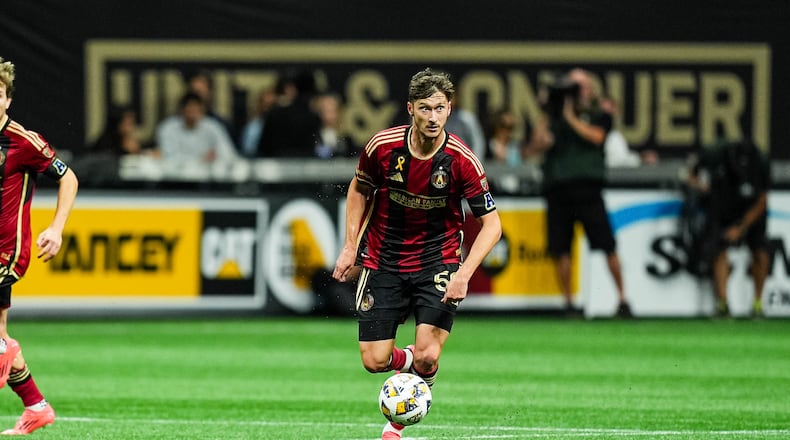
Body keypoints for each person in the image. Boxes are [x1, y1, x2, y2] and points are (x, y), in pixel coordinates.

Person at [332, 68, 502, 440]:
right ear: (410, 109)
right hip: (384, 260)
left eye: (440, 108)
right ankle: (406, 361)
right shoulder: (382, 147)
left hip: (437, 262)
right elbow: (359, 189)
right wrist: (350, 246)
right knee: (374, 361)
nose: (432, 117)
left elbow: (492, 225)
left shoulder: (461, 160)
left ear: (449, 109)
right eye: (425, 108)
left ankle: (395, 427)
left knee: (429, 356)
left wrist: (464, 273)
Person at [0, 56, 79, 434]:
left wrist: (56, 228)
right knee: (0, 338)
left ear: (8, 100)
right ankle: (36, 405)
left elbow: (69, 179)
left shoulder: (23, 141)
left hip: (7, 252)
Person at [527, 68, 631, 318]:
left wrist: (571, 117)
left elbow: (597, 138)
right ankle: (569, 302)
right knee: (561, 247)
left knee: (607, 244)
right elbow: (533, 148)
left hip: (589, 189)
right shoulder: (553, 116)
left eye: (581, 86)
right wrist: (548, 113)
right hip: (558, 189)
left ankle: (623, 299)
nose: (578, 92)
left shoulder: (599, 114)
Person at [686, 140, 770, 317]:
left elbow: (762, 201)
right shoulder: (715, 154)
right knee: (719, 251)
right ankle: (723, 304)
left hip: (751, 212)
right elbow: (690, 174)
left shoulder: (761, 161)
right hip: (723, 210)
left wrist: (741, 227)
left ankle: (757, 305)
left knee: (761, 253)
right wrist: (701, 187)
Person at [155, 91, 239, 176]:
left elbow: (229, 153)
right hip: (175, 178)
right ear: (182, 110)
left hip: (208, 178)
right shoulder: (168, 128)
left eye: (197, 108)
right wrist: (200, 160)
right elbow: (168, 158)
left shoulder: (213, 127)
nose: (193, 111)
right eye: (190, 108)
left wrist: (217, 157)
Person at [256, 69, 321, 158]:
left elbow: (263, 148)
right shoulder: (313, 118)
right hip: (303, 167)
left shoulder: (274, 114)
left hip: (277, 165)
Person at [313, 92, 358, 159]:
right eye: (326, 111)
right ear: (319, 113)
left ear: (339, 112)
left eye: (333, 111)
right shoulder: (313, 136)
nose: (330, 116)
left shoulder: (347, 138)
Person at [238, 87, 277, 158]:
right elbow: (247, 152)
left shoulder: (282, 127)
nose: (269, 110)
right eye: (266, 106)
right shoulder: (252, 128)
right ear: (260, 105)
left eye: (272, 106)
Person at [445, 95, 485, 160]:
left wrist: (475, 161)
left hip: (464, 161)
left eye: (451, 98)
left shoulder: (467, 118)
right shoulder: (439, 119)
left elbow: (477, 143)